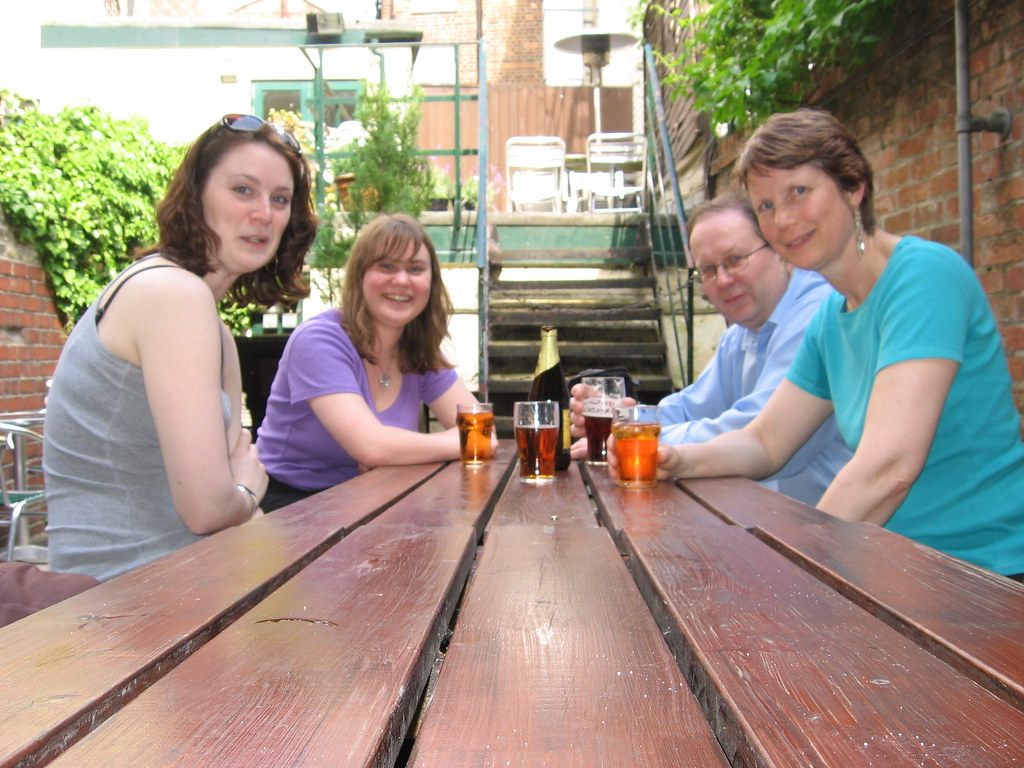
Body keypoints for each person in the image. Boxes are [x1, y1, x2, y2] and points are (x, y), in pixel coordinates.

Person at [642, 108, 1024, 580]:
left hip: (978, 577)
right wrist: (676, 459)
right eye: (764, 206)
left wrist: (801, 567)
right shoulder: (831, 317)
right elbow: (766, 442)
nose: (782, 219)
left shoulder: (922, 276)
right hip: (890, 569)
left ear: (853, 187)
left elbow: (889, 468)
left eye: (798, 192)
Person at [43, 114, 316, 581]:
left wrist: (244, 498)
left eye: (280, 199)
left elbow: (235, 489)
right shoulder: (172, 294)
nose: (264, 214)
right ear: (196, 197)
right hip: (119, 608)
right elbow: (212, 507)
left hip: (189, 585)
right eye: (243, 190)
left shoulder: (215, 330)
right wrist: (248, 493)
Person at [570, 191, 852, 505]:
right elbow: (691, 408)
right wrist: (622, 419)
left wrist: (638, 437)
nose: (723, 280)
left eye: (735, 260)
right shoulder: (742, 334)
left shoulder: (818, 315)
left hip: (829, 534)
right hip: (764, 519)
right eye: (708, 270)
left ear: (779, 251)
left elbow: (755, 432)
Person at [255, 212, 492, 511]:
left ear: (431, 283)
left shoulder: (418, 350)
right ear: (360, 276)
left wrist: (397, 453)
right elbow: (371, 447)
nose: (402, 280)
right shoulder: (320, 340)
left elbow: (485, 433)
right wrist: (391, 452)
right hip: (291, 506)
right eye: (387, 266)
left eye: (415, 269)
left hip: (374, 495)